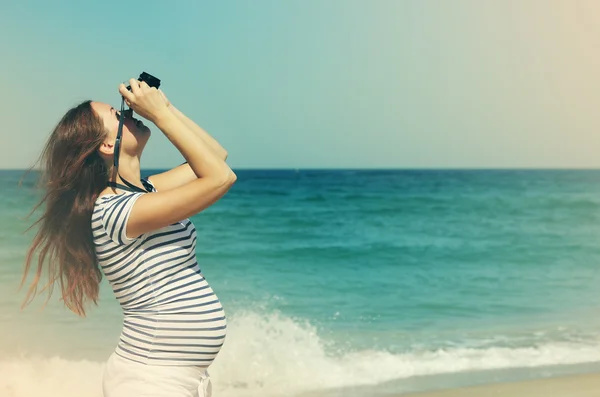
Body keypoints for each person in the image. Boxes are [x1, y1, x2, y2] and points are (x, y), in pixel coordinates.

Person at [20, 78, 237, 396]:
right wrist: (160, 116)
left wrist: (164, 108)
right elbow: (221, 178)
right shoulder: (115, 211)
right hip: (150, 380)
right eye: (117, 113)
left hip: (175, 378)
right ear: (107, 145)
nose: (130, 114)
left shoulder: (147, 192)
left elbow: (217, 157)